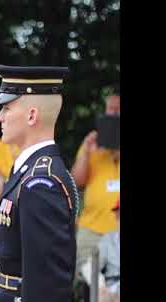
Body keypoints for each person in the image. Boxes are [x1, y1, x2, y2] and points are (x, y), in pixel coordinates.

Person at [0, 65, 80, 302]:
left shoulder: (41, 181)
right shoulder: (28, 170)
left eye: (7, 108)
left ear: (32, 115)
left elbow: (47, 281)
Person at [71, 92, 120, 269]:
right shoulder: (92, 144)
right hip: (92, 229)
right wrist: (85, 152)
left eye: (118, 110)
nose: (114, 114)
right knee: (85, 276)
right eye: (111, 109)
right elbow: (77, 181)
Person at [97, 198, 120, 302]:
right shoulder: (108, 239)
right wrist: (100, 283)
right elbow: (91, 267)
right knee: (101, 298)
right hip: (111, 285)